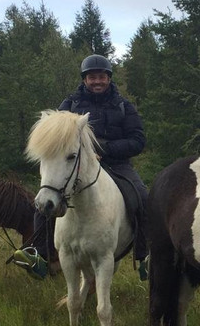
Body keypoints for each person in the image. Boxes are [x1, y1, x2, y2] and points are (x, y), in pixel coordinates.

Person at [21, 54, 149, 279]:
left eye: (101, 77)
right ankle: (38, 254)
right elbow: (55, 136)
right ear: (84, 80)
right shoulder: (70, 104)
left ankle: (144, 256)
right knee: (45, 199)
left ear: (108, 79)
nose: (97, 81)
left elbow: (138, 140)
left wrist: (103, 149)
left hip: (116, 164)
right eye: (92, 77)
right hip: (75, 166)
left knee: (142, 198)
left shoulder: (123, 106)